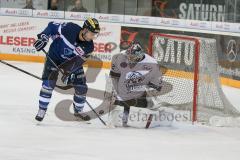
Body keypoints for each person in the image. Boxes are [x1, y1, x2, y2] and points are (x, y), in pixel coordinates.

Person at [33, 18, 100, 122]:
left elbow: (78, 61)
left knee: (81, 87)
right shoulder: (70, 28)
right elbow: (51, 26)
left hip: (70, 63)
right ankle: (42, 110)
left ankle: (78, 112)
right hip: (54, 57)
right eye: (92, 34)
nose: (93, 37)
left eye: (95, 34)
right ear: (85, 30)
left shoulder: (89, 46)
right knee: (48, 84)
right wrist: (43, 38)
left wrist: (68, 72)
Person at [108, 41, 165, 128]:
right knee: (118, 115)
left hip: (140, 90)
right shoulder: (119, 57)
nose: (129, 59)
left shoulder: (152, 64)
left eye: (132, 58)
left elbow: (157, 86)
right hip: (123, 87)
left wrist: (150, 95)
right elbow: (114, 77)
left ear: (139, 57)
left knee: (139, 112)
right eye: (129, 56)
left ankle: (151, 111)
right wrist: (114, 93)